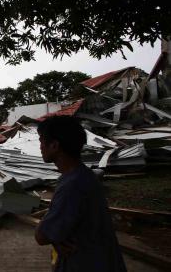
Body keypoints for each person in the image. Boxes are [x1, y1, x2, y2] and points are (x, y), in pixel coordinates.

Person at [34, 115, 126, 272]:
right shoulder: (85, 175)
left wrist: (50, 231)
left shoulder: (71, 186)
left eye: (42, 142)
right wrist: (57, 237)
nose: (40, 147)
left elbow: (41, 237)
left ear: (54, 145)